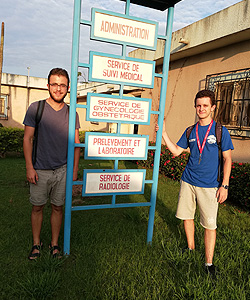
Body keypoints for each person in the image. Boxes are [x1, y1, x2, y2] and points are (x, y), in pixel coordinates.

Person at [156, 89, 234, 276]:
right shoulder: (190, 131)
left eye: (205, 105)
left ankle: (208, 264)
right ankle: (191, 248)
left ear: (212, 107)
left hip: (210, 185)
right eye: (198, 105)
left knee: (210, 224)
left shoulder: (220, 131)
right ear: (195, 107)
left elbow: (227, 159)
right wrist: (164, 133)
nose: (201, 109)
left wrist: (224, 185)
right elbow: (176, 151)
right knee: (187, 216)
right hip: (188, 181)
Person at [23, 68, 80, 260]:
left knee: (57, 207)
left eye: (62, 85)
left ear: (68, 88)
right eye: (54, 84)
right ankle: (36, 244)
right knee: (37, 207)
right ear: (48, 86)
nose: (58, 88)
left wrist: (73, 171)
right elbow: (27, 139)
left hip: (63, 170)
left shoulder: (72, 114)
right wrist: (29, 167)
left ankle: (54, 244)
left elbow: (76, 145)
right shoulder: (36, 108)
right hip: (39, 169)